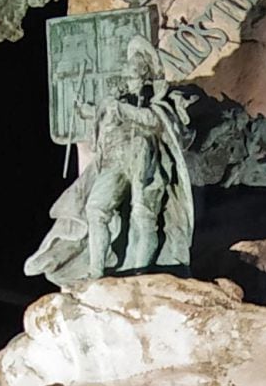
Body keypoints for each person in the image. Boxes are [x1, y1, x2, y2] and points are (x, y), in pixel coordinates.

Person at [24, 36, 195, 284]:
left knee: (143, 216)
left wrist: (119, 108)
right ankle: (96, 271)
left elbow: (155, 121)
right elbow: (105, 117)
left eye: (133, 72)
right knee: (95, 209)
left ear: (144, 75)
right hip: (114, 161)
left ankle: (140, 272)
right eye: (127, 72)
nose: (127, 76)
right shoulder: (118, 100)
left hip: (144, 159)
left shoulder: (158, 101)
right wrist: (91, 111)